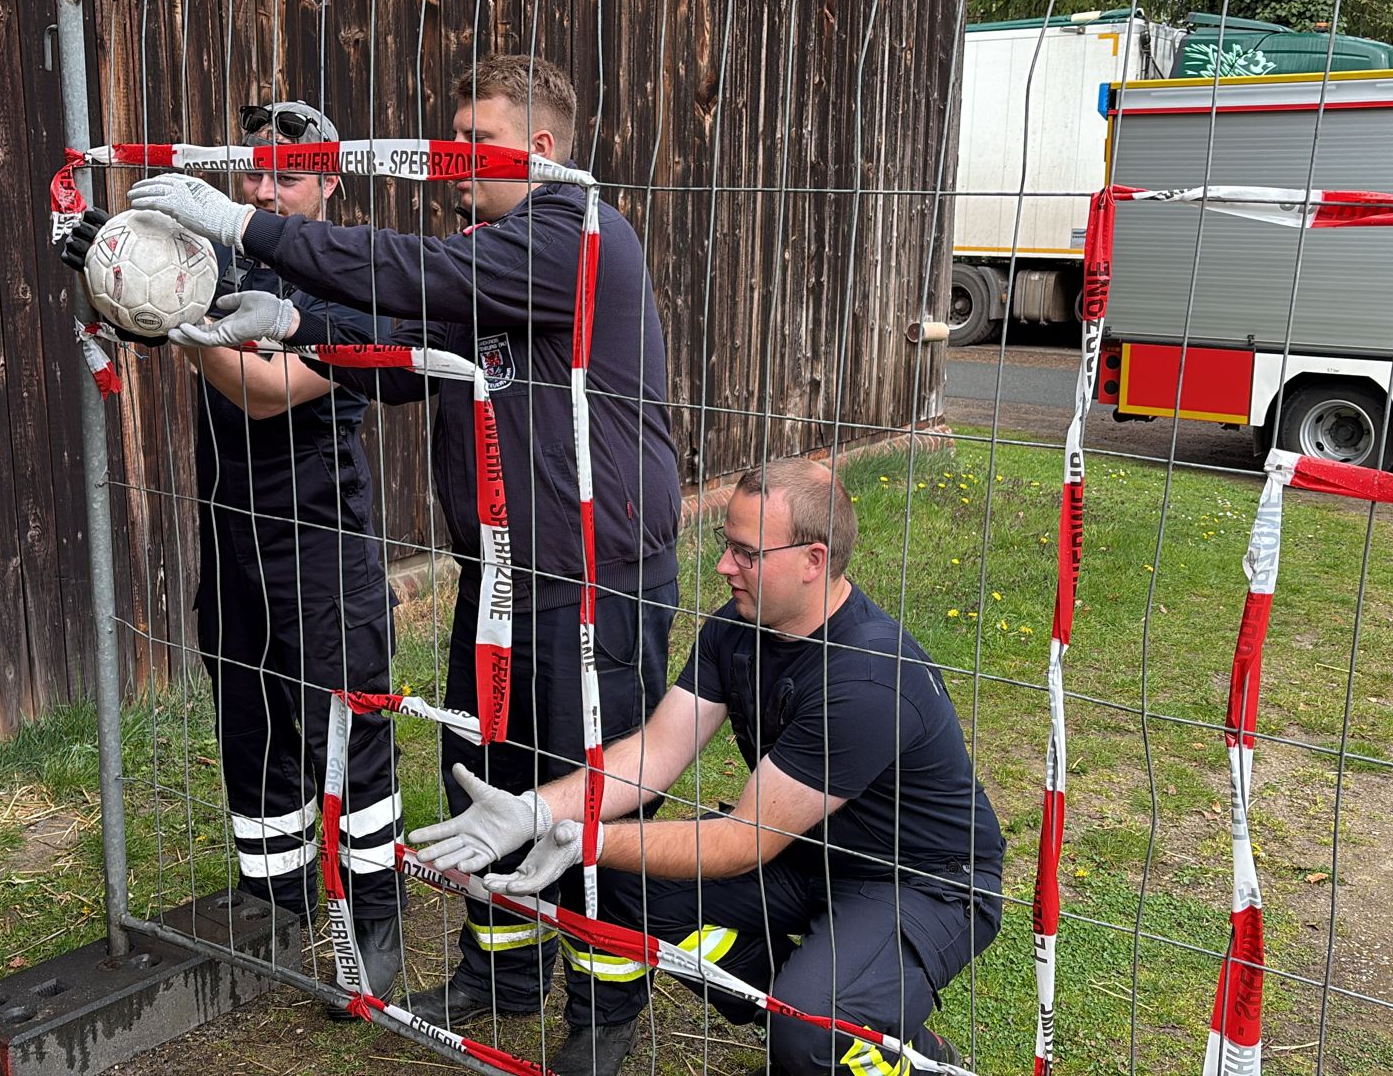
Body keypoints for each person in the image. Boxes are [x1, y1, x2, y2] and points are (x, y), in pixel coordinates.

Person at [129, 57, 684, 1025]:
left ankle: (606, 1006)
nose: (448, 159)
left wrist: (245, 227)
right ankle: (500, 972)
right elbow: (396, 353)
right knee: (488, 775)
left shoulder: (576, 233)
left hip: (594, 575)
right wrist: (295, 318)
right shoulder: (489, 249)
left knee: (594, 791)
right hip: (497, 572)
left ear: (540, 149)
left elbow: (411, 272)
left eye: (472, 141)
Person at [408, 459, 1005, 1076]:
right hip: (804, 853)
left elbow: (741, 840)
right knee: (622, 883)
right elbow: (654, 752)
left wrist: (590, 838)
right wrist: (536, 811)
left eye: (746, 553)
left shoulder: (867, 677)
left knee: (805, 1032)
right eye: (727, 546)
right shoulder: (735, 630)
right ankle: (829, 1003)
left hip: (921, 883)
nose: (723, 567)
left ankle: (886, 1045)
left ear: (814, 560)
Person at [61, 100, 407, 1004]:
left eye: (286, 176)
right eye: (252, 173)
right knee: (249, 728)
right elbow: (169, 309)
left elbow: (263, 390)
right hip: (231, 530)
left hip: (321, 537)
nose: (261, 191)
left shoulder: (352, 275)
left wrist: (174, 309)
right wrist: (122, 274)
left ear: (330, 180)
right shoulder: (231, 257)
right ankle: (275, 908)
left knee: (345, 725)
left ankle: (374, 913)